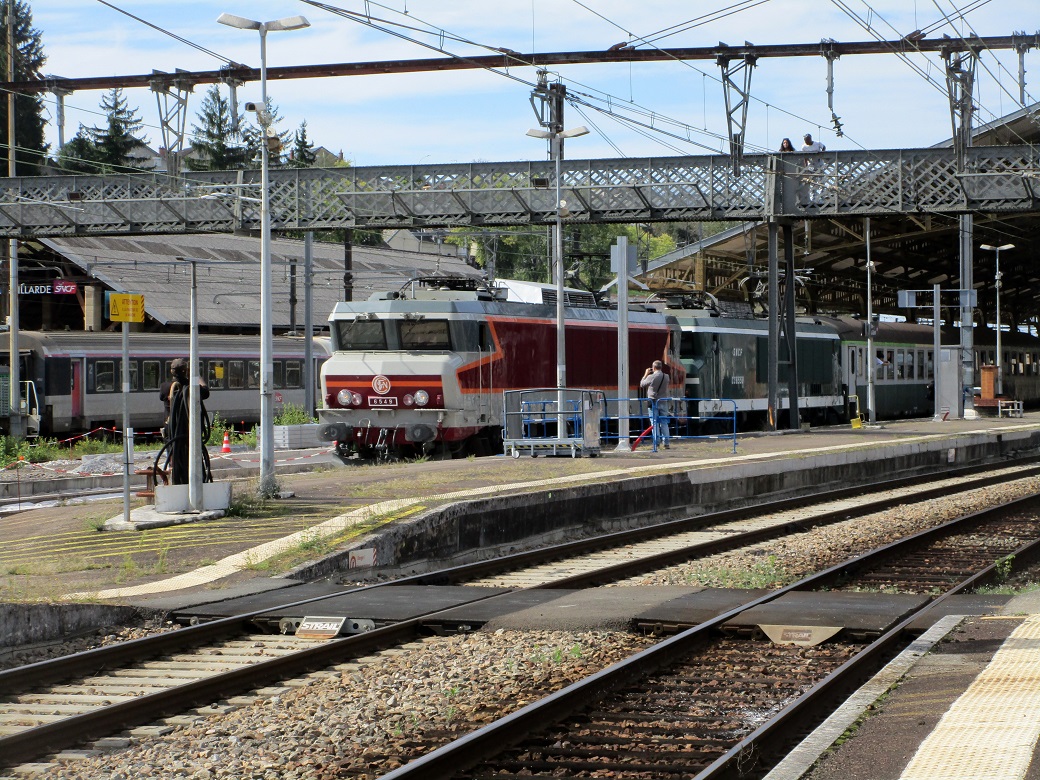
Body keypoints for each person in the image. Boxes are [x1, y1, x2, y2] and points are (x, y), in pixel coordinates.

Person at [158, 358, 212, 485]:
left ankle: (176, 482)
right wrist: (196, 376)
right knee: (193, 459)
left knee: (174, 460)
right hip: (189, 431)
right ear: (186, 371)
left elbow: (162, 396)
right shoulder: (192, 388)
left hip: (172, 432)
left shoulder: (165, 387)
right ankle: (194, 482)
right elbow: (206, 391)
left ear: (172, 371)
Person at [640, 359, 671, 449]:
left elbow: (642, 384)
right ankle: (666, 442)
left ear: (653, 367)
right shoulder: (666, 376)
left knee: (654, 423)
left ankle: (656, 442)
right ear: (661, 367)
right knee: (664, 422)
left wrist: (646, 374)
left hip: (653, 402)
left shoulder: (651, 377)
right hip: (663, 401)